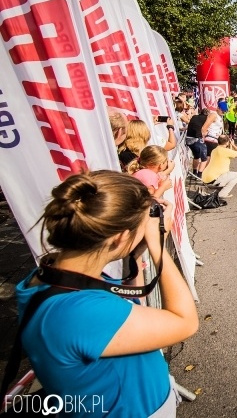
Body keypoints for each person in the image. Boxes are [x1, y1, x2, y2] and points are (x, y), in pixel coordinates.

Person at [14, 171, 198, 416]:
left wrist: (135, 256)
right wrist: (158, 246)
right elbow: (185, 322)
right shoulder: (79, 313)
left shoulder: (54, 278)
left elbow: (130, 310)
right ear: (120, 236)